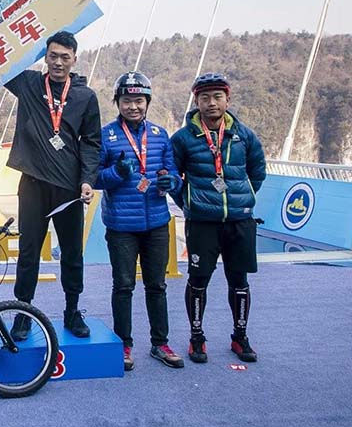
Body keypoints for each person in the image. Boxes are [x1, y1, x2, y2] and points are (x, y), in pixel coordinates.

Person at [4, 31, 101, 340]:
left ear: (74, 59)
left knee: (72, 253)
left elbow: (92, 143)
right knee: (28, 252)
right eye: (53, 56)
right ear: (44, 56)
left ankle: (72, 311)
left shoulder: (85, 97)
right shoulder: (28, 84)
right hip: (32, 184)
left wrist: (87, 180)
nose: (58, 62)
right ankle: (23, 314)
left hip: (69, 189)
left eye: (65, 57)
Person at [170, 73, 266, 364]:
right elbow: (174, 178)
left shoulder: (245, 135)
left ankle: (240, 336)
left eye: (217, 97)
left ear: (227, 99)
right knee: (199, 279)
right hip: (202, 221)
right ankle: (196, 337)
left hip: (239, 220)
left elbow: (257, 171)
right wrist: (190, 203)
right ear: (196, 101)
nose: (211, 103)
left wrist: (240, 198)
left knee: (239, 280)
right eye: (204, 98)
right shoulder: (183, 138)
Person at [95, 72, 184, 371]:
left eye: (138, 100)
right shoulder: (105, 135)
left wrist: (170, 181)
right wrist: (117, 173)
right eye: (126, 100)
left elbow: (174, 175)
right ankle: (124, 345)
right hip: (121, 225)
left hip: (157, 222)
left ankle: (160, 343)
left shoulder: (160, 135)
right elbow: (94, 179)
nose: (133, 106)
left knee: (157, 285)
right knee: (123, 285)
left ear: (147, 102)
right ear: (117, 102)